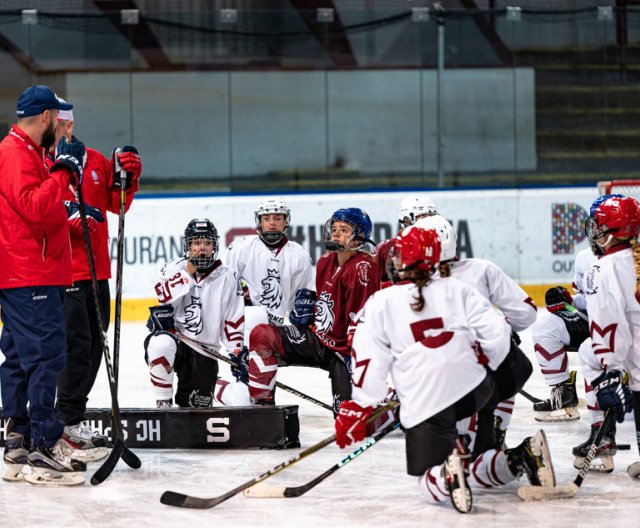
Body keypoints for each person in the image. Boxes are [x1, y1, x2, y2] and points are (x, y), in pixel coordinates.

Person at [334, 226, 554, 513]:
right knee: (474, 464)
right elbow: (499, 333)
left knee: (427, 485)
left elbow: (368, 361)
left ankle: (446, 473)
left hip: (427, 401)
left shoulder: (381, 303)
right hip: (476, 390)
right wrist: (480, 364)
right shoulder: (459, 289)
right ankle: (516, 459)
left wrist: (360, 407)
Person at [0, 85, 87, 486]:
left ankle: (17, 443)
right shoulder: (16, 153)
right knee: (45, 357)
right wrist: (64, 170)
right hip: (29, 272)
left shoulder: (27, 152)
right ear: (48, 117)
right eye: (58, 118)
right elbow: (35, 207)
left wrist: (62, 171)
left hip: (29, 271)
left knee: (20, 357)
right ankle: (43, 447)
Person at [52, 105, 142, 459]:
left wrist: (127, 182)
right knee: (75, 348)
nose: (54, 128)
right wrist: (65, 212)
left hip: (97, 272)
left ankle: (71, 418)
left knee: (93, 349)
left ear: (70, 124)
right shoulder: (44, 161)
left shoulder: (95, 159)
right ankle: (65, 420)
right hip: (65, 272)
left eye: (59, 123)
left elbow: (116, 206)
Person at [415, 214, 537, 450]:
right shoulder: (481, 269)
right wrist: (502, 331)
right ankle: (500, 441)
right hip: (511, 370)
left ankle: (493, 447)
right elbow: (526, 313)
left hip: (465, 383)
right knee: (477, 455)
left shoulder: (417, 287)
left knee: (462, 459)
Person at [247, 208, 380, 412]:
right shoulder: (325, 261)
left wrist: (357, 360)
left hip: (344, 352)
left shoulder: (363, 270)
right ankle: (262, 410)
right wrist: (311, 309)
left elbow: (363, 320)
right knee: (263, 334)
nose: (336, 234)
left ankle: (388, 412)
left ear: (359, 238)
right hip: (318, 339)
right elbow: (328, 303)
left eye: (344, 230)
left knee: (348, 420)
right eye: (334, 228)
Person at [530, 194, 621, 423]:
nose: (597, 230)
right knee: (546, 326)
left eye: (603, 225)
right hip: (595, 324)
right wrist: (567, 300)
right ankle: (563, 397)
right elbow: (586, 297)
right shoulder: (584, 258)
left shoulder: (634, 258)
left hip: (628, 331)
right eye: (596, 224)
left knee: (594, 347)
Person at [145, 218, 245, 408]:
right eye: (197, 243)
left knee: (194, 409)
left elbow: (233, 320)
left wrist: (237, 353)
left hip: (204, 350)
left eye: (207, 243)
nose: (202, 248)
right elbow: (162, 298)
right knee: (160, 343)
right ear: (188, 246)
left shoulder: (228, 277)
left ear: (214, 246)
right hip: (177, 342)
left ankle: (216, 385)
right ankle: (163, 404)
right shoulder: (174, 267)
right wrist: (186, 274)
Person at [574, 195, 640, 473]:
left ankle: (603, 431)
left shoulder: (601, 269)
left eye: (599, 224)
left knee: (590, 352)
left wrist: (610, 371)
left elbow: (609, 325)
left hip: (635, 351)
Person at [373, 194, 438, 284]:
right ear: (407, 220)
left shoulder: (440, 244)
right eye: (423, 217)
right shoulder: (388, 247)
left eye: (432, 216)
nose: (429, 221)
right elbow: (371, 283)